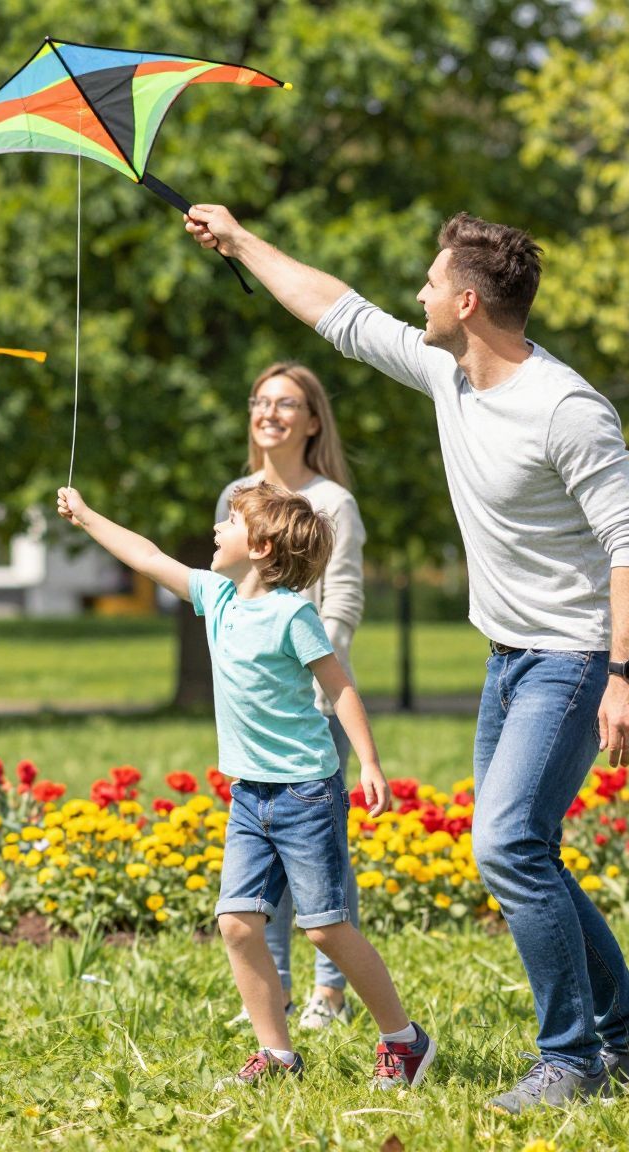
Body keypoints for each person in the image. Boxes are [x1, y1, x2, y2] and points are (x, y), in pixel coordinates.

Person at [184, 205, 629, 1112]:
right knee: (529, 851)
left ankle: (570, 1060)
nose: (414, 294)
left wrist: (627, 675)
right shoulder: (449, 373)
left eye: (428, 281)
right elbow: (338, 310)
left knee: (507, 846)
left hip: (572, 655)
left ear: (466, 300)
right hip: (507, 658)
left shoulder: (565, 407)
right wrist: (242, 242)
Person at [57, 482, 434, 1091]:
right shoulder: (218, 597)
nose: (216, 529)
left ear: (259, 546)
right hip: (250, 796)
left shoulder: (294, 614)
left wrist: (368, 762)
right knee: (236, 922)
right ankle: (277, 1054)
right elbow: (148, 557)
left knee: (325, 927)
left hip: (306, 793)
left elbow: (339, 688)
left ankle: (404, 1040)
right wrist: (87, 515)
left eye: (229, 522)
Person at [217, 362, 366, 1033]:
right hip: (256, 703)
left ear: (312, 420)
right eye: (260, 401)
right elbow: (225, 592)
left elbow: (343, 600)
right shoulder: (237, 495)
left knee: (317, 855)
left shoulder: (332, 502)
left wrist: (308, 673)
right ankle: (271, 997)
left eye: (287, 403)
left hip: (310, 701)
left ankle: (329, 993)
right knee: (260, 861)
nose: (270, 412)